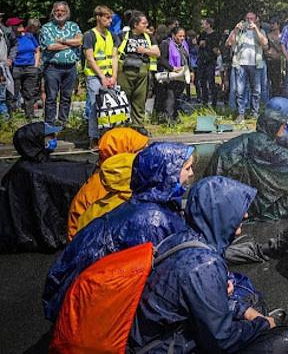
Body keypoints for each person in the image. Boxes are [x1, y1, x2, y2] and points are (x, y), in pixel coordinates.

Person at [129, 176, 288, 354]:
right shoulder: (203, 265)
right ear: (219, 213)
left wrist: (245, 312)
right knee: (287, 338)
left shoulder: (183, 238)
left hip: (157, 336)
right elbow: (222, 341)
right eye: (236, 208)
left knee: (250, 302)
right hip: (164, 347)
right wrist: (263, 324)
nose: (246, 215)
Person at [43, 142, 195, 320]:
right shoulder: (153, 219)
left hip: (76, 297)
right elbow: (162, 276)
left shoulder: (136, 204)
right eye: (187, 168)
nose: (192, 173)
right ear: (166, 173)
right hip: (96, 309)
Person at [204, 107, 288, 220]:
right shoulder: (262, 142)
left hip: (220, 175)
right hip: (225, 177)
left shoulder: (259, 137)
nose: (285, 126)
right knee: (282, 179)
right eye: (282, 124)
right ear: (272, 126)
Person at [0, 122, 92, 253]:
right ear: (37, 141)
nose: (55, 139)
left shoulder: (36, 162)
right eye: (50, 136)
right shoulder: (30, 172)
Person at [68, 126, 149, 238]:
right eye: (142, 150)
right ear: (124, 156)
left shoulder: (124, 179)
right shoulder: (99, 189)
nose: (148, 153)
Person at [39, 1, 83, 125]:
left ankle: (63, 122)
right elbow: (50, 46)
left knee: (66, 97)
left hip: (70, 67)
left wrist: (63, 41)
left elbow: (80, 41)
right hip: (53, 68)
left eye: (62, 11)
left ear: (67, 13)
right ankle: (49, 124)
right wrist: (70, 44)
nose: (60, 13)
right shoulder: (46, 27)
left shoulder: (73, 26)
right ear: (53, 12)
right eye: (57, 10)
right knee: (51, 97)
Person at [82, 5, 119, 146]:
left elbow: (114, 57)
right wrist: (102, 77)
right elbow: (90, 58)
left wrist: (114, 76)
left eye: (111, 18)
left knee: (111, 107)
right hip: (94, 76)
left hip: (110, 75)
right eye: (107, 17)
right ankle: (94, 137)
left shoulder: (112, 36)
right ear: (98, 17)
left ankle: (109, 136)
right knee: (94, 106)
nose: (110, 21)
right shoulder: (89, 35)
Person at [117, 11, 160, 126]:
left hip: (142, 70)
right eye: (144, 23)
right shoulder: (123, 35)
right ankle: (122, 125)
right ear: (135, 24)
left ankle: (138, 125)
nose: (146, 25)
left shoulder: (149, 37)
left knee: (140, 99)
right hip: (125, 71)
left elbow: (157, 52)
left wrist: (145, 50)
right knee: (123, 98)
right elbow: (115, 53)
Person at [227, 12, 269, 123]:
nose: (249, 20)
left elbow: (265, 44)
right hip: (240, 64)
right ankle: (241, 113)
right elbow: (229, 43)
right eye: (247, 18)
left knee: (256, 90)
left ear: (256, 20)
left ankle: (254, 113)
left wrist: (256, 29)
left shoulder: (260, 31)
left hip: (255, 64)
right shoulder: (239, 31)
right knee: (240, 91)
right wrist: (235, 30)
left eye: (252, 18)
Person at [157, 26, 190, 124]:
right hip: (170, 76)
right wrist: (172, 68)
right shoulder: (166, 44)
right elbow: (161, 59)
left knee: (177, 98)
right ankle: (168, 119)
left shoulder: (183, 45)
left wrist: (190, 71)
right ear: (173, 35)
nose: (182, 38)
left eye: (183, 36)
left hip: (181, 76)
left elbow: (186, 59)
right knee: (170, 98)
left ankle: (176, 117)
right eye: (180, 36)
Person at [10, 18, 42, 119]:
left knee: (29, 93)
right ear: (12, 28)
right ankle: (12, 115)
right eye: (17, 24)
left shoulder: (29, 36)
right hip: (16, 68)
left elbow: (37, 50)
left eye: (21, 23)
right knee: (13, 92)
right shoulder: (11, 39)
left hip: (30, 67)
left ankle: (29, 115)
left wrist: (36, 66)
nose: (21, 25)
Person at [196, 18, 220, 106]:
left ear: (209, 25)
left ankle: (214, 102)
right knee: (202, 81)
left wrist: (207, 43)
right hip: (202, 60)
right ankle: (204, 101)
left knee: (211, 81)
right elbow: (198, 43)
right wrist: (201, 43)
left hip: (211, 60)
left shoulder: (215, 35)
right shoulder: (202, 34)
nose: (203, 25)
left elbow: (215, 47)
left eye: (204, 24)